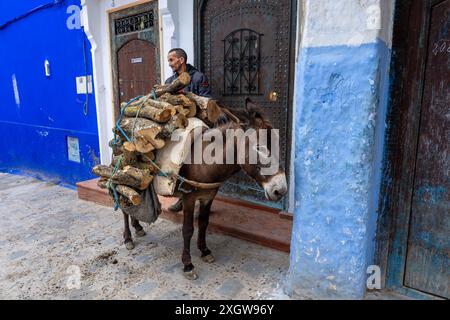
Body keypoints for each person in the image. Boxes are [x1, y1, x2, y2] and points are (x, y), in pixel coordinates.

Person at [164, 48, 211, 212]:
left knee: (200, 164)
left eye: (171, 60)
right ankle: (181, 198)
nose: (169, 63)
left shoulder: (199, 77)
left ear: (181, 60)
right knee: (176, 160)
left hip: (197, 124)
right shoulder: (170, 81)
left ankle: (205, 199)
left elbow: (208, 102)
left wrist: (190, 99)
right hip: (178, 125)